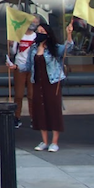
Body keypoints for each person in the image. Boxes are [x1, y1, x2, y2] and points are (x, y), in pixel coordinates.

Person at [11, 21, 74, 152]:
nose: (39, 34)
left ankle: (54, 142)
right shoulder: (33, 49)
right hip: (38, 83)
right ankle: (44, 141)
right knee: (40, 111)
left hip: (52, 83)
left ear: (48, 34)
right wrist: (16, 66)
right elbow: (27, 66)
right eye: (38, 31)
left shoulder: (54, 48)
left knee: (54, 110)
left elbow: (68, 48)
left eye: (42, 32)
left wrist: (69, 34)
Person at [6, 21, 37, 129]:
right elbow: (13, 51)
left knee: (32, 95)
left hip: (33, 68)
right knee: (18, 95)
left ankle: (34, 118)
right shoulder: (19, 36)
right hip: (19, 67)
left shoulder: (36, 37)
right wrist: (10, 44)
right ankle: (16, 117)